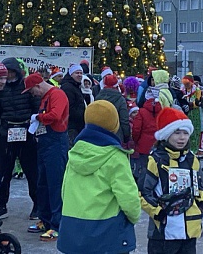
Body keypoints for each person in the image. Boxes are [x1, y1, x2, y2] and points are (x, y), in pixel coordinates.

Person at [58, 100, 141, 254]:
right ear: (114, 124)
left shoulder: (76, 152)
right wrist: (134, 216)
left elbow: (65, 188)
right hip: (107, 231)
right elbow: (128, 195)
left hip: (73, 228)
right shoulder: (115, 156)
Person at [139, 108, 203, 253]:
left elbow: (200, 186)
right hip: (163, 232)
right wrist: (158, 212)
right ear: (166, 134)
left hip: (190, 230)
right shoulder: (156, 160)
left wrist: (201, 205)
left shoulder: (192, 160)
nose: (182, 138)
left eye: (185, 133)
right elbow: (143, 192)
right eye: (177, 133)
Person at [22, 72, 69, 242]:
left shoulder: (57, 94)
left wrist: (38, 117)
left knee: (55, 184)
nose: (32, 94)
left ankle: (57, 225)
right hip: (45, 144)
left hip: (56, 144)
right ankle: (46, 219)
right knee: (42, 183)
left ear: (37, 85)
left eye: (31, 91)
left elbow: (55, 116)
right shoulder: (47, 96)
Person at [0, 57, 40, 220]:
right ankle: (1, 205)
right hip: (7, 132)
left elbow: (36, 107)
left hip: (26, 131)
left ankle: (37, 204)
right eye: (8, 72)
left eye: (12, 72)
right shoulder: (1, 88)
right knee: (4, 171)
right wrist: (0, 129)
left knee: (31, 171)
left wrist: (33, 127)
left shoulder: (26, 87)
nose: (10, 75)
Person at [132, 96, 162, 182]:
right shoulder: (161, 112)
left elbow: (136, 129)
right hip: (158, 145)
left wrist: (136, 141)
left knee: (144, 168)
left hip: (144, 146)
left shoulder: (141, 112)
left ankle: (143, 189)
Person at [96, 73, 132, 143]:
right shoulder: (120, 99)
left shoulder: (98, 98)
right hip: (116, 135)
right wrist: (126, 136)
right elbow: (124, 120)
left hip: (100, 134)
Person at [61, 63, 86, 144]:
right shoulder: (68, 87)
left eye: (81, 73)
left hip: (77, 125)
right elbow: (70, 108)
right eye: (77, 73)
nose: (79, 75)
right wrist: (82, 115)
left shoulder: (76, 86)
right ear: (71, 74)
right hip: (72, 126)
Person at [180, 75, 203, 154]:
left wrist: (191, 104)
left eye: (187, 83)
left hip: (195, 113)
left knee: (195, 131)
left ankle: (194, 150)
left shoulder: (197, 90)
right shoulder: (182, 90)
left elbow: (198, 101)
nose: (186, 85)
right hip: (186, 114)